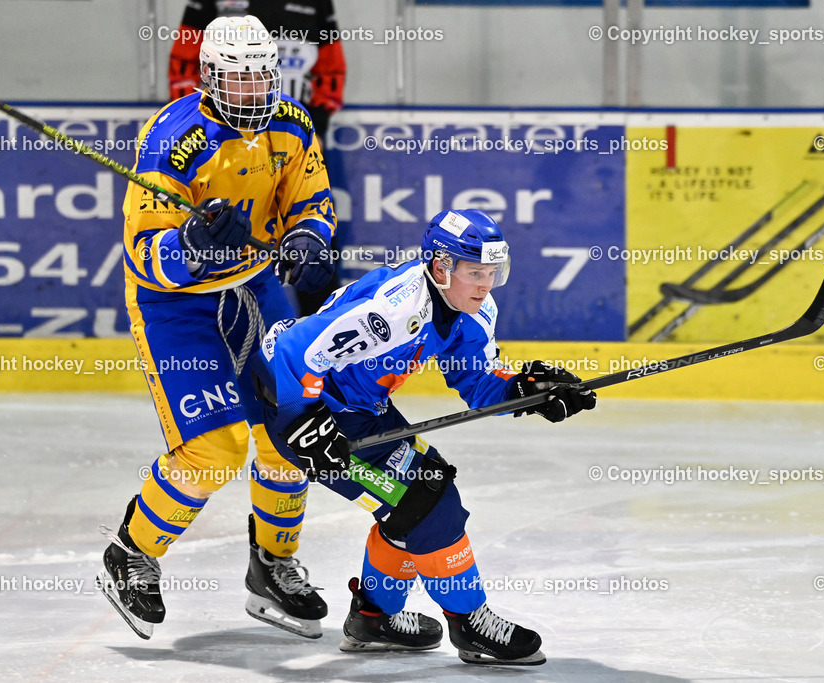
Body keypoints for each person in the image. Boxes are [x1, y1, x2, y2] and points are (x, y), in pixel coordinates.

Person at [250, 209, 597, 665]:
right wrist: (302, 422)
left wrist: (527, 390)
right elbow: (290, 353)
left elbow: (479, 382)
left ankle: (374, 619)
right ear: (440, 267)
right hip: (297, 408)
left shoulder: (472, 308)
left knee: (418, 496)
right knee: (427, 503)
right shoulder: (393, 309)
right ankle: (471, 622)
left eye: (493, 273)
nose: (485, 284)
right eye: (475, 272)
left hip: (359, 412)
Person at [98, 15, 338, 640]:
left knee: (295, 425)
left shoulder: (292, 124)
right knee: (216, 448)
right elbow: (143, 254)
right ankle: (132, 553)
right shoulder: (172, 141)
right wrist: (194, 243)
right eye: (238, 77)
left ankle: (272, 565)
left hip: (256, 288)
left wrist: (309, 239)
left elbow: (310, 201)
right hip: (175, 306)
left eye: (262, 73)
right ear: (208, 76)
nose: (253, 88)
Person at [169, 0, 347, 316]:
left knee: (312, 238)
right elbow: (184, 62)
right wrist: (198, 123)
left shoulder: (316, 2)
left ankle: (321, 330)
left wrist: (317, 125)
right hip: (219, 137)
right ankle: (201, 316)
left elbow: (331, 69)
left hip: (290, 133)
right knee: (210, 229)